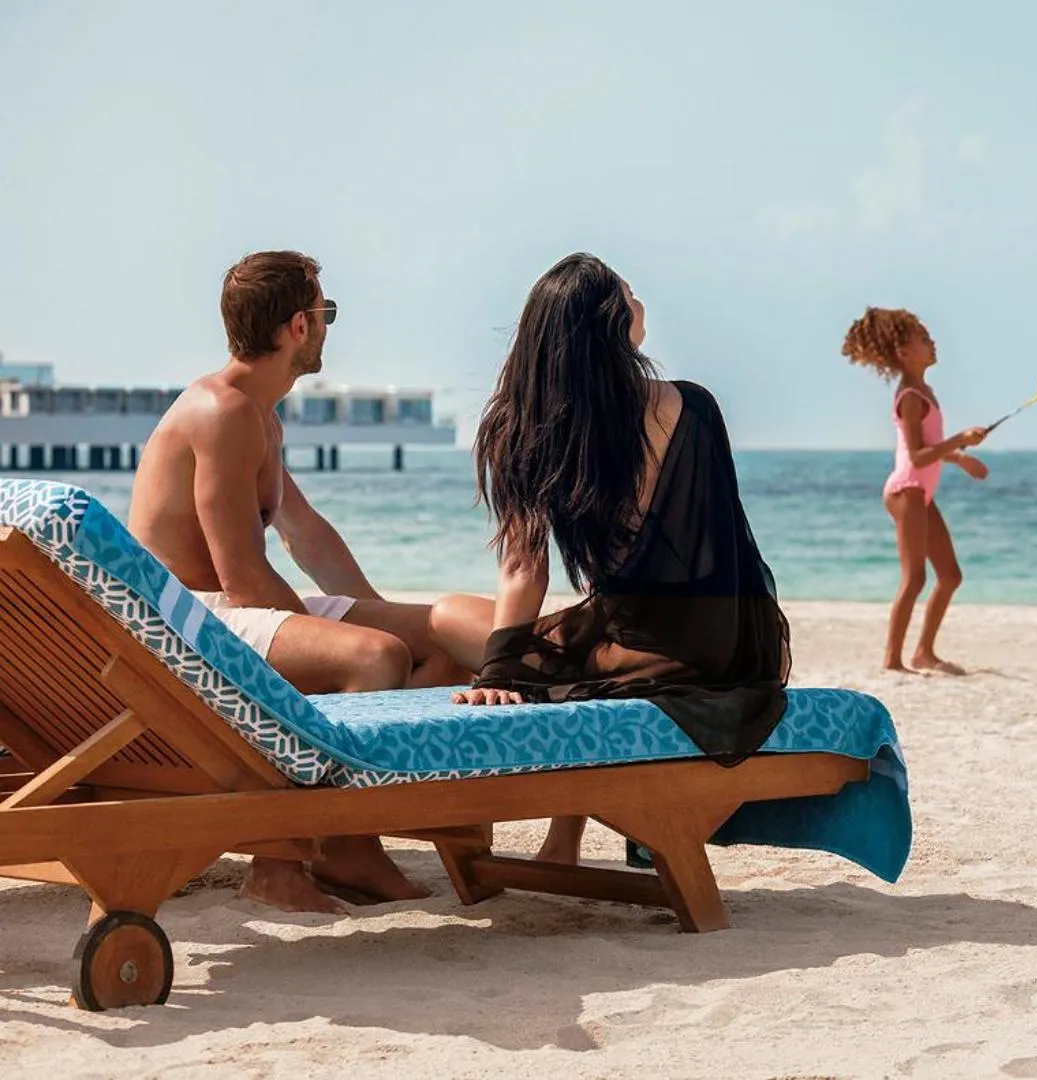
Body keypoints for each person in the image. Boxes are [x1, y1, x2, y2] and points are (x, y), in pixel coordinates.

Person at [427, 254, 790, 867]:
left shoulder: (526, 428)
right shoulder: (691, 407)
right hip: (730, 643)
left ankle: (559, 841)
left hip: (633, 638)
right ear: (613, 319)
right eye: (629, 292)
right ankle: (566, 839)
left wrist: (499, 675)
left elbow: (523, 570)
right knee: (585, 646)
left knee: (445, 618)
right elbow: (725, 547)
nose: (639, 300)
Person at [130, 250, 455, 913]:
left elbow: (306, 536)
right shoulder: (220, 412)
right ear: (298, 327)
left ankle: (352, 825)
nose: (329, 327)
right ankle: (302, 856)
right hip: (190, 622)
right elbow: (243, 578)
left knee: (445, 641)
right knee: (377, 657)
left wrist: (374, 608)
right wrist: (361, 635)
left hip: (226, 612)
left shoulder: (257, 415)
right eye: (325, 312)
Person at [840, 307, 989, 675]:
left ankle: (924, 652)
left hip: (918, 492)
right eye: (923, 338)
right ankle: (892, 660)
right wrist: (961, 440)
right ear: (905, 353)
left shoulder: (925, 391)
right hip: (907, 490)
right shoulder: (909, 395)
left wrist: (958, 457)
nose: (932, 341)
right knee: (915, 578)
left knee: (950, 576)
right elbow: (919, 458)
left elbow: (924, 448)